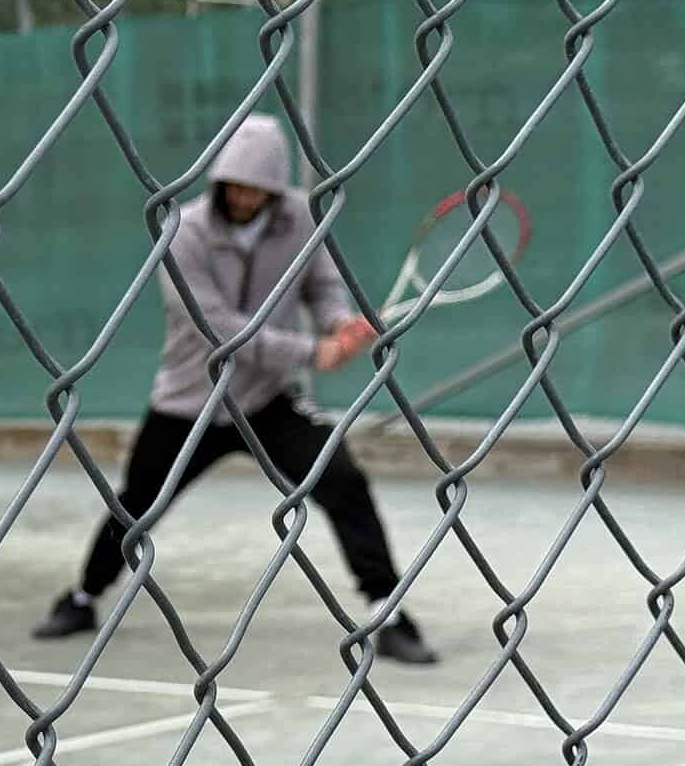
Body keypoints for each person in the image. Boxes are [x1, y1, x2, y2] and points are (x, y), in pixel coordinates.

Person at [33, 113, 437, 665]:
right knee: (136, 506)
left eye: (258, 188)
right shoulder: (184, 233)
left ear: (276, 188)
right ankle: (81, 597)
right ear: (219, 180)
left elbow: (320, 284)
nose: (245, 196)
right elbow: (215, 326)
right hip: (188, 403)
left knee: (342, 480)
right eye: (236, 185)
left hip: (268, 400)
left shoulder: (299, 220)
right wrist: (308, 352)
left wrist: (338, 323)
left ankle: (387, 613)